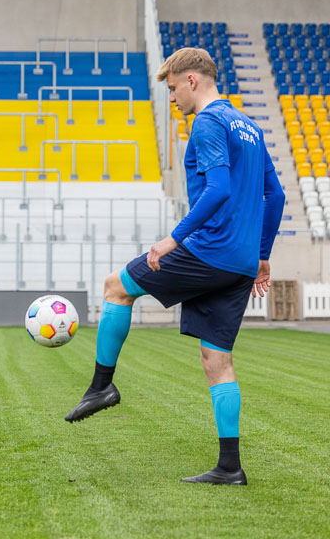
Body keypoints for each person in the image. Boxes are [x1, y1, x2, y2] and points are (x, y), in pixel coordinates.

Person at [65, 47, 285, 485]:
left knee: (116, 287)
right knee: (216, 359)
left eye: (171, 89)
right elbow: (274, 196)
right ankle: (230, 467)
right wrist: (262, 256)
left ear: (191, 80)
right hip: (240, 261)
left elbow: (218, 189)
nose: (172, 100)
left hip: (209, 250)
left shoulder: (207, 122)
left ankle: (101, 387)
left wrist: (172, 239)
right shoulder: (250, 127)